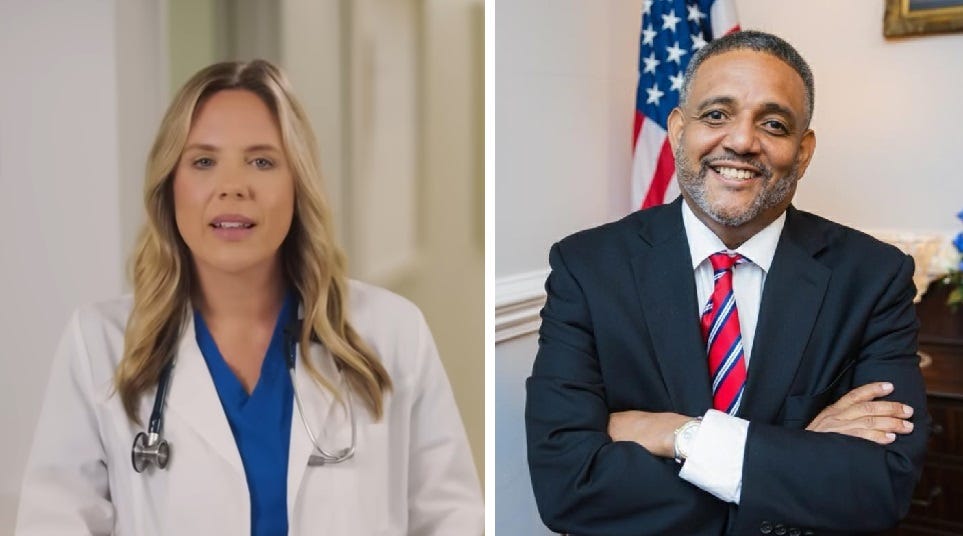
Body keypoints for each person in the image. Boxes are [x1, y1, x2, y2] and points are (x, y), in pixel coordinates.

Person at [16, 60, 482, 535]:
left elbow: (451, 518)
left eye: (261, 161)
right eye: (203, 161)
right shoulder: (99, 344)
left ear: (297, 185)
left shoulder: (393, 332)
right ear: (169, 185)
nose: (233, 186)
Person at [526, 31, 928, 536]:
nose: (740, 141)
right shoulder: (586, 268)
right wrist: (795, 452)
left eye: (774, 123)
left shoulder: (873, 277)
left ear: (803, 151)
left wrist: (679, 435)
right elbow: (568, 487)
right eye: (716, 115)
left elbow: (880, 487)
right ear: (676, 130)